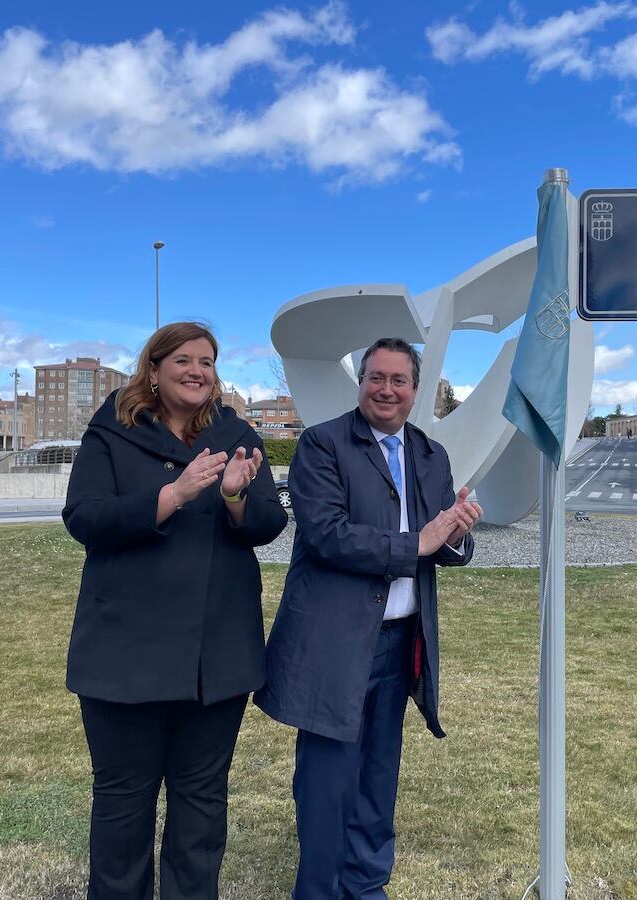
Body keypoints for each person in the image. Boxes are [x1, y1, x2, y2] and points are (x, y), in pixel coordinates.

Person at [63, 321, 288, 900]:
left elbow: (268, 524)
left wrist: (236, 495)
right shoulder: (113, 429)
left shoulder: (237, 432)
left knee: (201, 806)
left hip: (215, 662)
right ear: (155, 369)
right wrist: (174, 495)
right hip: (124, 658)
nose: (197, 371)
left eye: (207, 362)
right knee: (123, 805)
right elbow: (84, 518)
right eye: (184, 360)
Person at [255, 337, 482, 899]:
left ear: (415, 388)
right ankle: (318, 890)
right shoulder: (322, 444)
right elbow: (327, 534)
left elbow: (439, 541)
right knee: (328, 778)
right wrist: (417, 543)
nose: (386, 389)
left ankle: (366, 884)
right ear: (361, 382)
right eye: (375, 377)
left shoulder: (431, 454)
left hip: (401, 641)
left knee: (379, 773)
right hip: (336, 642)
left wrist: (457, 534)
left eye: (398, 380)